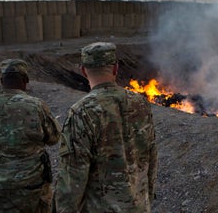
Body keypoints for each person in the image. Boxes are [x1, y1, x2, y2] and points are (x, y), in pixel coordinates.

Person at [54, 42, 158, 212]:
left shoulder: (83, 111)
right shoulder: (141, 104)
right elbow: (152, 155)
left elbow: (73, 174)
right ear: (115, 69)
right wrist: (147, 197)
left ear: (83, 71)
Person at [0, 59, 61, 213]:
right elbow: (54, 138)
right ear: (26, 80)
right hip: (32, 182)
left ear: (1, 81)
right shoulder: (36, 105)